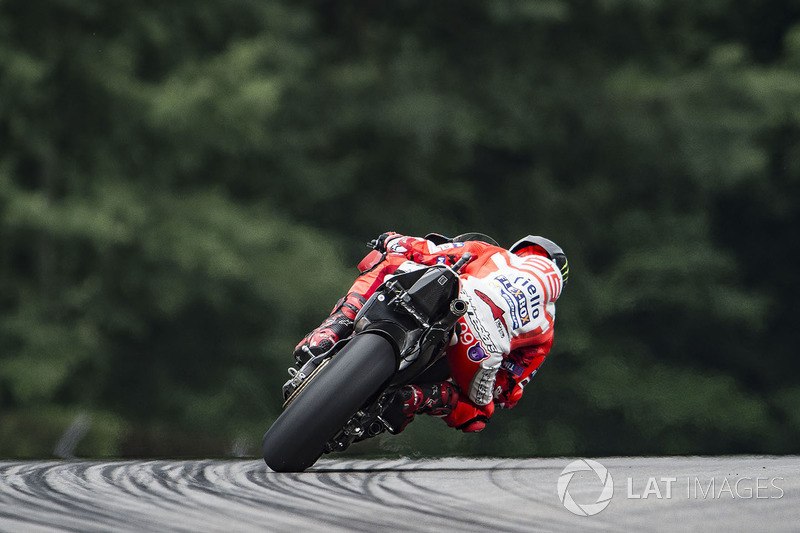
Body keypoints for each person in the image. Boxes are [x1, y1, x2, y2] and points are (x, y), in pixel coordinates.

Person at [292, 231, 568, 434]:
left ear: (521, 250)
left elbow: (427, 252)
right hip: (482, 349)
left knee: (390, 262)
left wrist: (391, 239)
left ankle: (334, 327)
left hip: (463, 299)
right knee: (480, 413)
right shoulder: (547, 328)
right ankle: (416, 398)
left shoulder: (495, 254)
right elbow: (507, 390)